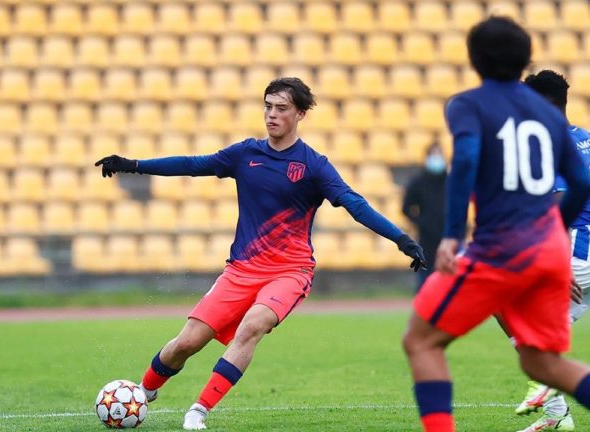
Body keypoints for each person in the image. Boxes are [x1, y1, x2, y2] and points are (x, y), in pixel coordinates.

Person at [95, 77, 426, 430]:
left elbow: (355, 204)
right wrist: (133, 165)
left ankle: (198, 411)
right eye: (268, 107)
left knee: (252, 326)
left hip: (290, 271)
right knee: (186, 343)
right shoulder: (246, 154)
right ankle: (144, 391)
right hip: (241, 270)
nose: (271, 115)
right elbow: (192, 164)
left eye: (281, 108)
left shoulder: (314, 165)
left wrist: (401, 238)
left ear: (300, 114)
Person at [400, 17, 590, 432]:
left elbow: (465, 163)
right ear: (524, 59)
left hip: (501, 248)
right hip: (550, 249)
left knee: (421, 340)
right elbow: (580, 184)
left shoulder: (467, 105)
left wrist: (451, 236)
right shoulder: (552, 121)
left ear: (474, 59)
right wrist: (552, 241)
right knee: (539, 360)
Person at [512, 70, 590, 431]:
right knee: (521, 320)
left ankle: (545, 382)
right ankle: (556, 415)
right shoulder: (588, 140)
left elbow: (557, 213)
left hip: (577, 251)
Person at [402, 143, 447, 290]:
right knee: (425, 279)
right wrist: (422, 223)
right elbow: (406, 208)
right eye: (433, 154)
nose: (437, 158)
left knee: (449, 278)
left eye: (439, 154)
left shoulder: (451, 182)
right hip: (427, 239)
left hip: (448, 237)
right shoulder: (418, 183)